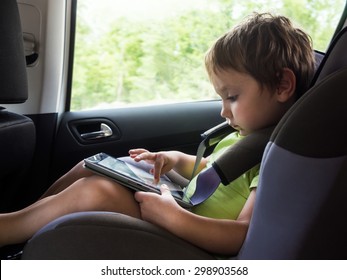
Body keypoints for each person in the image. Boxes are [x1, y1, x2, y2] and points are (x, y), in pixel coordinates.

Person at [0, 13, 315, 256]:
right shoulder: (245, 136)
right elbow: (213, 172)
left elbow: (242, 233)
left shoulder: (277, 157)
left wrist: (173, 217)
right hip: (184, 205)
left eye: (232, 97)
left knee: (97, 192)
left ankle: (10, 230)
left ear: (283, 86)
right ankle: (26, 224)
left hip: (192, 232)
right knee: (93, 164)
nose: (223, 111)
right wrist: (173, 159)